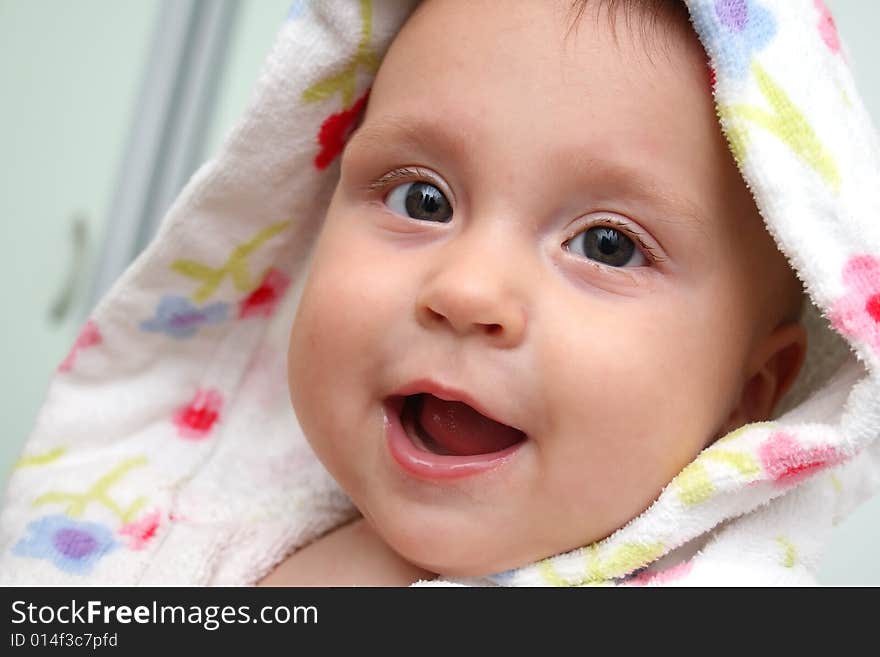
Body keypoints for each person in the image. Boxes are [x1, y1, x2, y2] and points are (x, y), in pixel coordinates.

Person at [1, 0, 877, 586]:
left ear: (750, 395)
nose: (465, 290)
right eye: (424, 198)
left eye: (606, 245)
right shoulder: (199, 532)